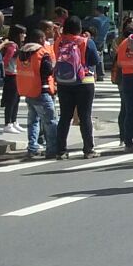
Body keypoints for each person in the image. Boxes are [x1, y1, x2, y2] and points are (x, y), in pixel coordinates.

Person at [54, 16, 102, 159]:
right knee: (84, 116)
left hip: (63, 81)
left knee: (64, 116)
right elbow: (95, 60)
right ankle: (88, 150)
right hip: (84, 81)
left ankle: (61, 150)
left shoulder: (59, 42)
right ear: (79, 28)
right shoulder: (86, 42)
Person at [17, 28, 58, 160]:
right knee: (50, 121)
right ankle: (52, 149)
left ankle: (32, 147)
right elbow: (48, 70)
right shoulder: (41, 53)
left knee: (33, 121)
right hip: (42, 90)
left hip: (29, 91)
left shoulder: (22, 52)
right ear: (41, 39)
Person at [113, 20, 133, 153]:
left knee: (128, 110)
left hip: (126, 77)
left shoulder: (123, 44)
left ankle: (127, 140)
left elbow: (119, 62)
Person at [0, 24, 25, 134]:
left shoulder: (17, 46)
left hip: (16, 74)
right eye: (23, 33)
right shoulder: (12, 46)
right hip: (11, 75)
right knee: (11, 100)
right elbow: (5, 61)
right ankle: (8, 123)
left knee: (16, 99)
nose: (24, 35)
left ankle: (14, 121)